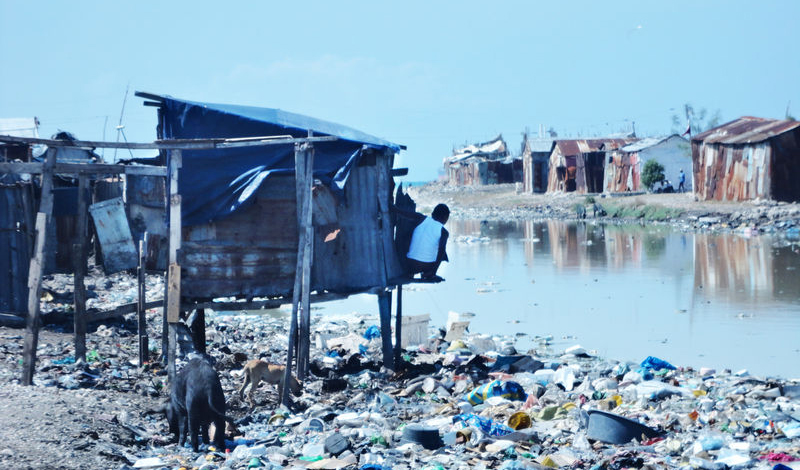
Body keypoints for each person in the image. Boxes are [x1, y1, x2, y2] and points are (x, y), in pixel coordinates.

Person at [403, 203, 450, 282]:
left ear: (432, 214)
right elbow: (441, 252)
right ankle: (429, 274)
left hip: (409, 265)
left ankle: (411, 273)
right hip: (426, 266)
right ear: (446, 218)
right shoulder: (444, 232)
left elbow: (403, 213)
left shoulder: (421, 218)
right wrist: (433, 272)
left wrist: (391, 208)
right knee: (443, 252)